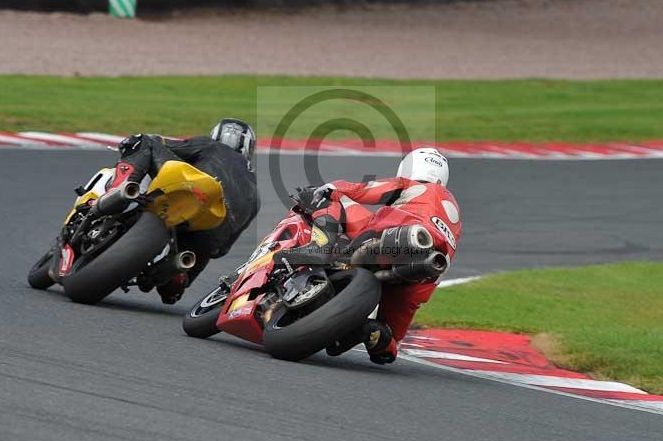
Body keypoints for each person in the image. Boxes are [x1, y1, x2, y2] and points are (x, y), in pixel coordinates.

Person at [294, 147, 461, 365]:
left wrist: (332, 188)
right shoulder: (453, 211)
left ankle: (319, 247)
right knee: (389, 346)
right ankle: (368, 332)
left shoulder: (414, 185)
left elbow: (369, 189)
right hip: (423, 276)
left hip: (397, 235)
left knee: (333, 201)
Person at [110, 119, 260, 304]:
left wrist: (132, 144)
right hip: (213, 230)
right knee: (174, 290)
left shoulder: (210, 145)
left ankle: (118, 189)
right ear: (249, 149)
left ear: (217, 135)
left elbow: (162, 143)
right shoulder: (255, 193)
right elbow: (221, 250)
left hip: (191, 192)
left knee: (143, 141)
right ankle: (176, 274)